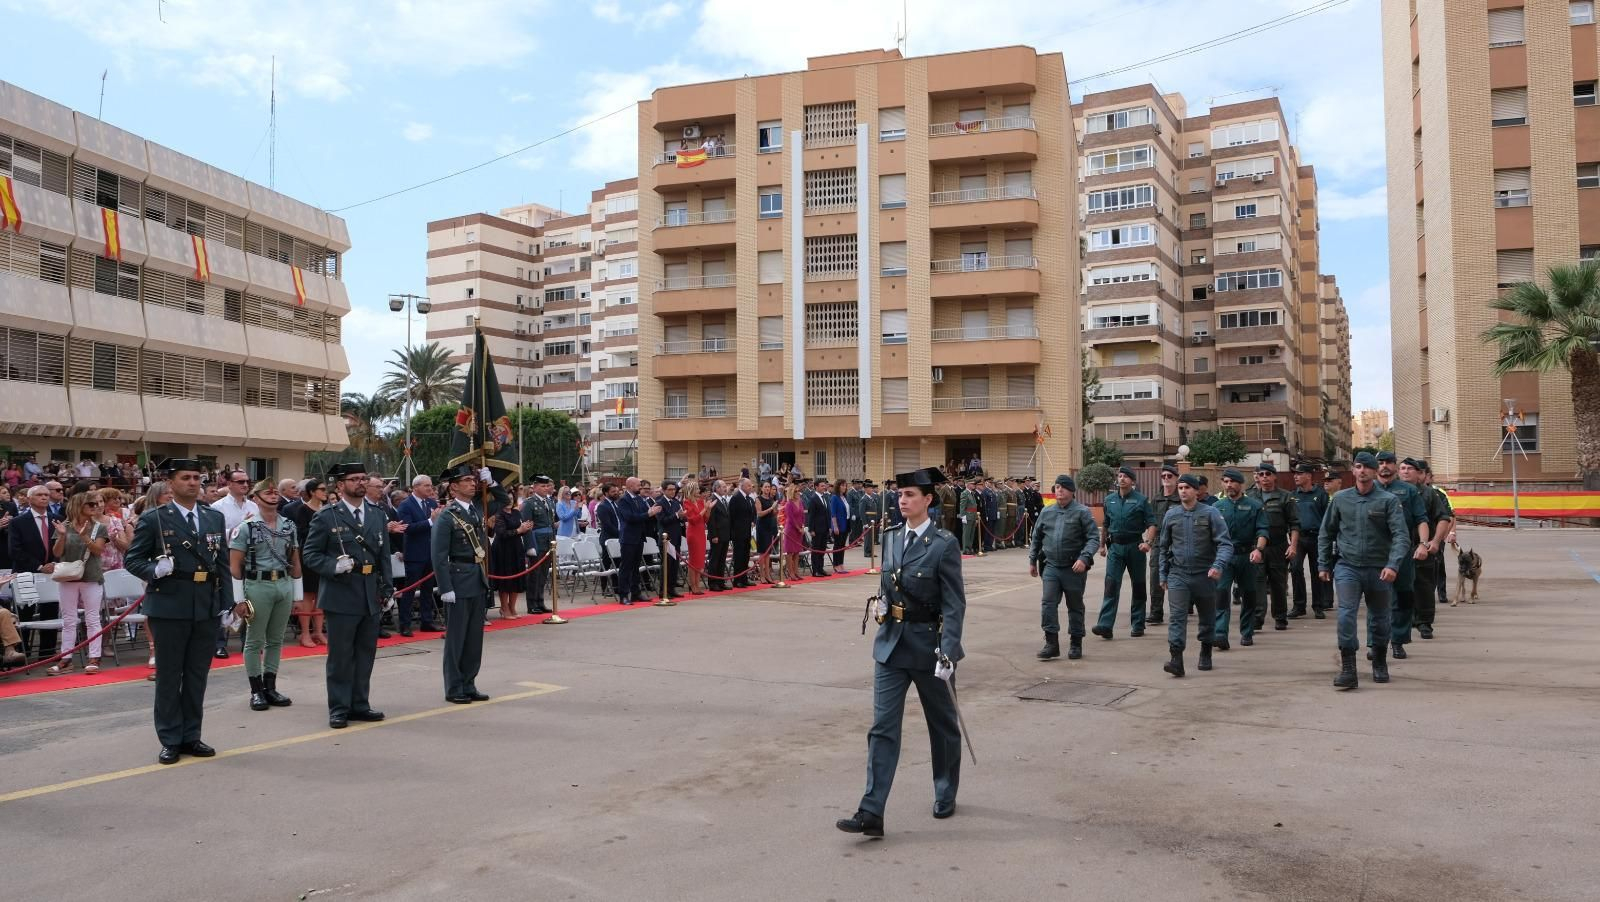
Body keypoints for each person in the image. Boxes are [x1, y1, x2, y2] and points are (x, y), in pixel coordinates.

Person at [835, 467, 966, 838]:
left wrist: (949, 650)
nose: (902, 500)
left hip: (929, 647)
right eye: (899, 494)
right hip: (891, 646)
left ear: (927, 500)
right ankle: (871, 810)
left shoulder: (944, 544)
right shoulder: (890, 537)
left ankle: (944, 788)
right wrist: (880, 606)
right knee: (882, 728)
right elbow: (888, 583)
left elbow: (955, 604)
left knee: (941, 727)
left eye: (909, 494)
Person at [124, 459, 233, 764]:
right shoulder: (155, 518)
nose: (193, 482)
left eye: (197, 477)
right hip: (170, 603)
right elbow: (132, 560)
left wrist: (227, 604)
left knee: (198, 675)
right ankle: (170, 738)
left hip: (205, 605)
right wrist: (154, 569)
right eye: (186, 477)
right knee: (170, 676)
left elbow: (221, 563)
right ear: (170, 483)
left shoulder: (213, 517)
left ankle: (192, 735)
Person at [303, 462, 394, 729]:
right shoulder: (327, 515)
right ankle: (339, 707)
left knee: (366, 653)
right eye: (354, 479)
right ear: (340, 485)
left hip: (370, 591)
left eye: (363, 478)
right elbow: (310, 554)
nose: (361, 483)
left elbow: (383, 556)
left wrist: (388, 588)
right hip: (342, 592)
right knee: (341, 656)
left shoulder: (377, 514)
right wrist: (333, 566)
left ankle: (360, 703)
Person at [1319, 451, 1410, 690]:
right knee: (1345, 615)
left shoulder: (1388, 501)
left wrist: (1393, 565)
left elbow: (1401, 536)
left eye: (1367, 467)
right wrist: (1323, 564)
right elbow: (1326, 533)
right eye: (1358, 466)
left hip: (1379, 569)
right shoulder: (1340, 499)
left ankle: (1379, 661)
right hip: (1347, 566)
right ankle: (1349, 668)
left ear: (1374, 472)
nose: (1362, 471)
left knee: (1380, 618)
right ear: (1353, 470)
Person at [229, 479, 302, 711]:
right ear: (255, 498)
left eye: (274, 494)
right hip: (257, 584)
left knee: (276, 639)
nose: (272, 496)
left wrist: (297, 594)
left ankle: (271, 687)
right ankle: (256, 690)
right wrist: (239, 600)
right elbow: (235, 566)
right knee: (254, 640)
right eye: (266, 493)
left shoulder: (289, 525)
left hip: (283, 583)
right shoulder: (246, 527)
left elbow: (295, 561)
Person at [1158, 474, 1234, 678]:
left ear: (1196, 491)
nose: (1183, 491)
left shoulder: (1211, 513)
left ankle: (1206, 651)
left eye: (1187, 488)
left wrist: (1218, 565)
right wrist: (1162, 574)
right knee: (1176, 618)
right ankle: (1176, 659)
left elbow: (1225, 544)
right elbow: (1163, 546)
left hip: (1204, 574)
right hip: (1178, 574)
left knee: (1207, 616)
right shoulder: (1171, 515)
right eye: (1180, 487)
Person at [433, 464, 495, 704]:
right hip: (458, 579)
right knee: (457, 638)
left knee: (473, 638)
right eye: (467, 480)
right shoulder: (447, 516)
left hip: (477, 577)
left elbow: (499, 501)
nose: (473, 483)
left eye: (474, 480)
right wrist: (445, 586)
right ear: (454, 487)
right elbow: (438, 555)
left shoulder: (475, 511)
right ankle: (454, 686)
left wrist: (494, 484)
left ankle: (469, 682)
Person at [1029, 474, 1100, 661]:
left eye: (1063, 487)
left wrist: (1084, 558)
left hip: (1073, 568)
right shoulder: (1047, 512)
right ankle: (1051, 643)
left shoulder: (1082, 512)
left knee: (1075, 606)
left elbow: (1093, 538)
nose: (1058, 490)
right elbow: (1036, 537)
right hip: (1051, 565)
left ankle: (1076, 643)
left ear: (1072, 491)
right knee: (1048, 604)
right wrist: (1032, 560)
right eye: (1057, 487)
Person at [45, 490, 110, 674]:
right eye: (90, 504)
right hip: (68, 577)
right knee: (68, 619)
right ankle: (66, 658)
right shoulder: (64, 525)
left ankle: (94, 657)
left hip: (91, 576)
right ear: (79, 506)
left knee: (92, 618)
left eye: (96, 504)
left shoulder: (99, 527)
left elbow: (98, 551)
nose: (95, 507)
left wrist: (84, 537)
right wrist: (63, 536)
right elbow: (57, 553)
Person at [1373, 451, 1429, 660]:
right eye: (1381, 462)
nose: (1385, 466)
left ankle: (1398, 641)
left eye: (1389, 462)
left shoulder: (1408, 490)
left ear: (1395, 467)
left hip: (1403, 552)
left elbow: (1421, 519)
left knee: (1403, 597)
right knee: (1376, 598)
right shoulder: (1368, 490)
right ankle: (1375, 642)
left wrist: (1423, 544)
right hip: (1376, 553)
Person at [1093, 467, 1155, 640]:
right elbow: (1105, 524)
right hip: (1116, 548)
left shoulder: (1141, 500)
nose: (1122, 479)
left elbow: (1152, 524)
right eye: (1120, 476)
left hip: (1135, 547)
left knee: (1139, 586)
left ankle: (1138, 624)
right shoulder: (1109, 500)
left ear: (1133, 481)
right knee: (1111, 585)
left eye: (1126, 477)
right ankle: (1105, 625)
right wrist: (1102, 545)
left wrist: (1148, 543)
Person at [1212, 469, 1267, 649]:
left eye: (1232, 482)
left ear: (1240, 484)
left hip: (1247, 555)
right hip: (1224, 557)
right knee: (1221, 594)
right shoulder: (1216, 507)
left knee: (1249, 595)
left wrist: (1258, 549)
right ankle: (1220, 633)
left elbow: (1262, 530)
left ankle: (1247, 632)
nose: (1229, 485)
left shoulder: (1254, 505)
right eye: (1225, 481)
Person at [1245, 462, 1300, 633]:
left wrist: (1293, 546)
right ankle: (1258, 618)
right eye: (1261, 475)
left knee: (1278, 583)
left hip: (1278, 546)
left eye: (1268, 474)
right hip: (1258, 546)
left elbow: (1295, 524)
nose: (1264, 478)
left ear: (1274, 476)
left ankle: (1280, 617)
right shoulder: (1250, 496)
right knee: (1258, 582)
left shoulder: (1285, 496)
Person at [1402, 458, 1452, 641]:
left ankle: (1424, 623)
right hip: (1400, 548)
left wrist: (1436, 541)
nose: (1405, 472)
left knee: (1424, 586)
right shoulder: (1393, 493)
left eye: (1409, 469)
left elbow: (1443, 518)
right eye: (1402, 468)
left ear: (1418, 473)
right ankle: (1404, 622)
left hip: (1423, 546)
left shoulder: (1430, 494)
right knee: (1401, 588)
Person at [9, 484, 59, 661]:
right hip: (26, 573)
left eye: (46, 494)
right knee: (25, 614)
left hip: (52, 573)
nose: (44, 497)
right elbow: (15, 550)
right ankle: (23, 654)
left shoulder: (57, 519)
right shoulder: (18, 522)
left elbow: (62, 546)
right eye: (40, 495)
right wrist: (39, 566)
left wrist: (53, 563)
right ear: (29, 499)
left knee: (51, 612)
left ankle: (47, 653)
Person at [396, 475, 444, 637]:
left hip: (431, 552)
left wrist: (439, 520)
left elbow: (437, 525)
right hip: (415, 554)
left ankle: (427, 621)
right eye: (426, 486)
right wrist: (431, 521)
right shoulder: (405, 505)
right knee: (409, 591)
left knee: (427, 590)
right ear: (415, 487)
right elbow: (407, 528)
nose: (430, 489)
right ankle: (405, 624)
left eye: (431, 486)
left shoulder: (431, 503)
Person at [288, 478, 331, 647]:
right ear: (312, 492)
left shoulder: (328, 510)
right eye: (321, 489)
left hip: (326, 557)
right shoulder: (303, 510)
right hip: (309, 556)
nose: (325, 492)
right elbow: (301, 533)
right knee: (308, 595)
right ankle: (305, 633)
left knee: (322, 595)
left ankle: (318, 632)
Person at [1289, 463, 1332, 619]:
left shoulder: (1321, 494)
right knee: (1295, 569)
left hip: (1316, 538)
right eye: (1295, 474)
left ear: (1309, 476)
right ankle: (1299, 606)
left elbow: (1326, 518)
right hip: (1298, 538)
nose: (1296, 476)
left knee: (1317, 572)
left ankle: (1318, 606)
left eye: (1299, 474)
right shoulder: (1292, 495)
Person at [1145, 465, 1182, 627]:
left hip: (1177, 543)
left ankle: (1180, 610)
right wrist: (1149, 542)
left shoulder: (1181, 498)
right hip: (1159, 543)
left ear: (1176, 478)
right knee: (1155, 578)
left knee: (1179, 577)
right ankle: (1156, 612)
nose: (1166, 479)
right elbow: (1151, 523)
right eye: (1164, 476)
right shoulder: (1156, 499)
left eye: (1169, 476)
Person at [490, 486, 531, 619]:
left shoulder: (516, 512)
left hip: (516, 547)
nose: (509, 500)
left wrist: (526, 528)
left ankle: (512, 606)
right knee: (505, 580)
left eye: (511, 497)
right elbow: (501, 533)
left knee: (516, 578)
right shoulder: (498, 514)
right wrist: (519, 530)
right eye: (506, 498)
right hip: (503, 549)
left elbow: (520, 528)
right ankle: (504, 608)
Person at [616, 476, 657, 604]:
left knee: (636, 567)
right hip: (628, 537)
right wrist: (648, 514)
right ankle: (623, 594)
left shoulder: (639, 499)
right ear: (630, 486)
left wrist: (652, 511)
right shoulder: (623, 500)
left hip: (639, 537)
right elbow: (630, 518)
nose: (640, 487)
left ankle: (636, 592)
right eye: (638, 485)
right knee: (626, 567)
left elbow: (644, 515)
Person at [521, 476, 557, 614]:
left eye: (547, 486)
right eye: (542, 486)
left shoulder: (549, 501)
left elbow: (552, 524)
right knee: (534, 574)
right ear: (534, 487)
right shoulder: (529, 503)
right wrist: (530, 546)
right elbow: (527, 525)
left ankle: (540, 601)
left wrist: (553, 541)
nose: (545, 488)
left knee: (543, 574)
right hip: (536, 541)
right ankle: (532, 604)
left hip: (548, 541)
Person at [657, 480, 686, 598]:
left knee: (674, 565)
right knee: (666, 566)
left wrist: (682, 517)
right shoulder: (659, 503)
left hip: (676, 536)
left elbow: (680, 519)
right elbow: (662, 520)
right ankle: (663, 591)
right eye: (669, 489)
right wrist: (676, 516)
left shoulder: (676, 502)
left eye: (674, 489)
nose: (673, 491)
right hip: (666, 539)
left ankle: (671, 588)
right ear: (663, 490)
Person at [681, 480, 709, 595]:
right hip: (693, 533)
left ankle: (697, 585)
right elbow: (692, 519)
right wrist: (704, 510)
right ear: (692, 490)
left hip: (701, 532)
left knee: (700, 560)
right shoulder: (687, 502)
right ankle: (693, 585)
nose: (699, 491)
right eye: (697, 489)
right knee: (694, 560)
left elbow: (705, 520)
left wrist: (708, 509)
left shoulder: (701, 501)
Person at [729, 478, 757, 588]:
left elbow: (753, 513)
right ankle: (738, 580)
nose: (751, 488)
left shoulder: (749, 498)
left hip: (747, 532)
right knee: (739, 557)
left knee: (745, 556)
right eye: (748, 486)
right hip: (738, 533)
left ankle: (744, 578)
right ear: (742, 486)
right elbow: (732, 516)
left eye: (751, 486)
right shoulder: (736, 498)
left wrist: (753, 521)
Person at [705, 480, 731, 591]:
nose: (725, 488)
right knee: (715, 559)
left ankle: (720, 581)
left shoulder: (723, 499)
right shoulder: (712, 499)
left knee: (722, 559)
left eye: (725, 486)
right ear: (716, 488)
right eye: (723, 486)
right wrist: (714, 535)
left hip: (725, 534)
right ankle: (713, 582)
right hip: (717, 535)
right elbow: (711, 520)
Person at [805, 478, 832, 577]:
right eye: (822, 486)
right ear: (816, 487)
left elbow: (827, 513)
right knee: (816, 550)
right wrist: (811, 529)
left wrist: (829, 526)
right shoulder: (813, 499)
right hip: (816, 528)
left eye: (824, 485)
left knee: (822, 549)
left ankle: (821, 568)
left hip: (824, 528)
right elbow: (811, 515)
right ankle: (815, 570)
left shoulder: (825, 497)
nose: (824, 487)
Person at [781, 482, 806, 582]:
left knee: (797, 552)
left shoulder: (800, 502)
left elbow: (803, 516)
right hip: (791, 530)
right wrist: (798, 528)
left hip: (799, 530)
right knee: (790, 552)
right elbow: (790, 518)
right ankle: (790, 572)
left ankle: (796, 572)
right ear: (791, 492)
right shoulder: (789, 504)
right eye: (796, 491)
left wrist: (803, 527)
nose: (798, 493)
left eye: (798, 491)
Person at [754, 481, 778, 583]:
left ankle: (768, 574)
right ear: (761, 488)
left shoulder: (771, 499)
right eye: (766, 487)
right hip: (762, 527)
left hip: (770, 526)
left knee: (768, 552)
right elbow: (759, 514)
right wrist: (771, 508)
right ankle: (762, 575)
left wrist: (776, 509)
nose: (768, 489)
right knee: (762, 553)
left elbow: (773, 514)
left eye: (769, 487)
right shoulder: (758, 499)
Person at [829, 479, 851, 575]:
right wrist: (835, 526)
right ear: (838, 486)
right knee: (837, 545)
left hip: (846, 523)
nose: (844, 487)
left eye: (845, 486)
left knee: (842, 546)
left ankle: (841, 563)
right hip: (838, 524)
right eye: (842, 485)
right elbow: (833, 513)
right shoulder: (834, 497)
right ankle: (836, 564)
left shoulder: (844, 497)